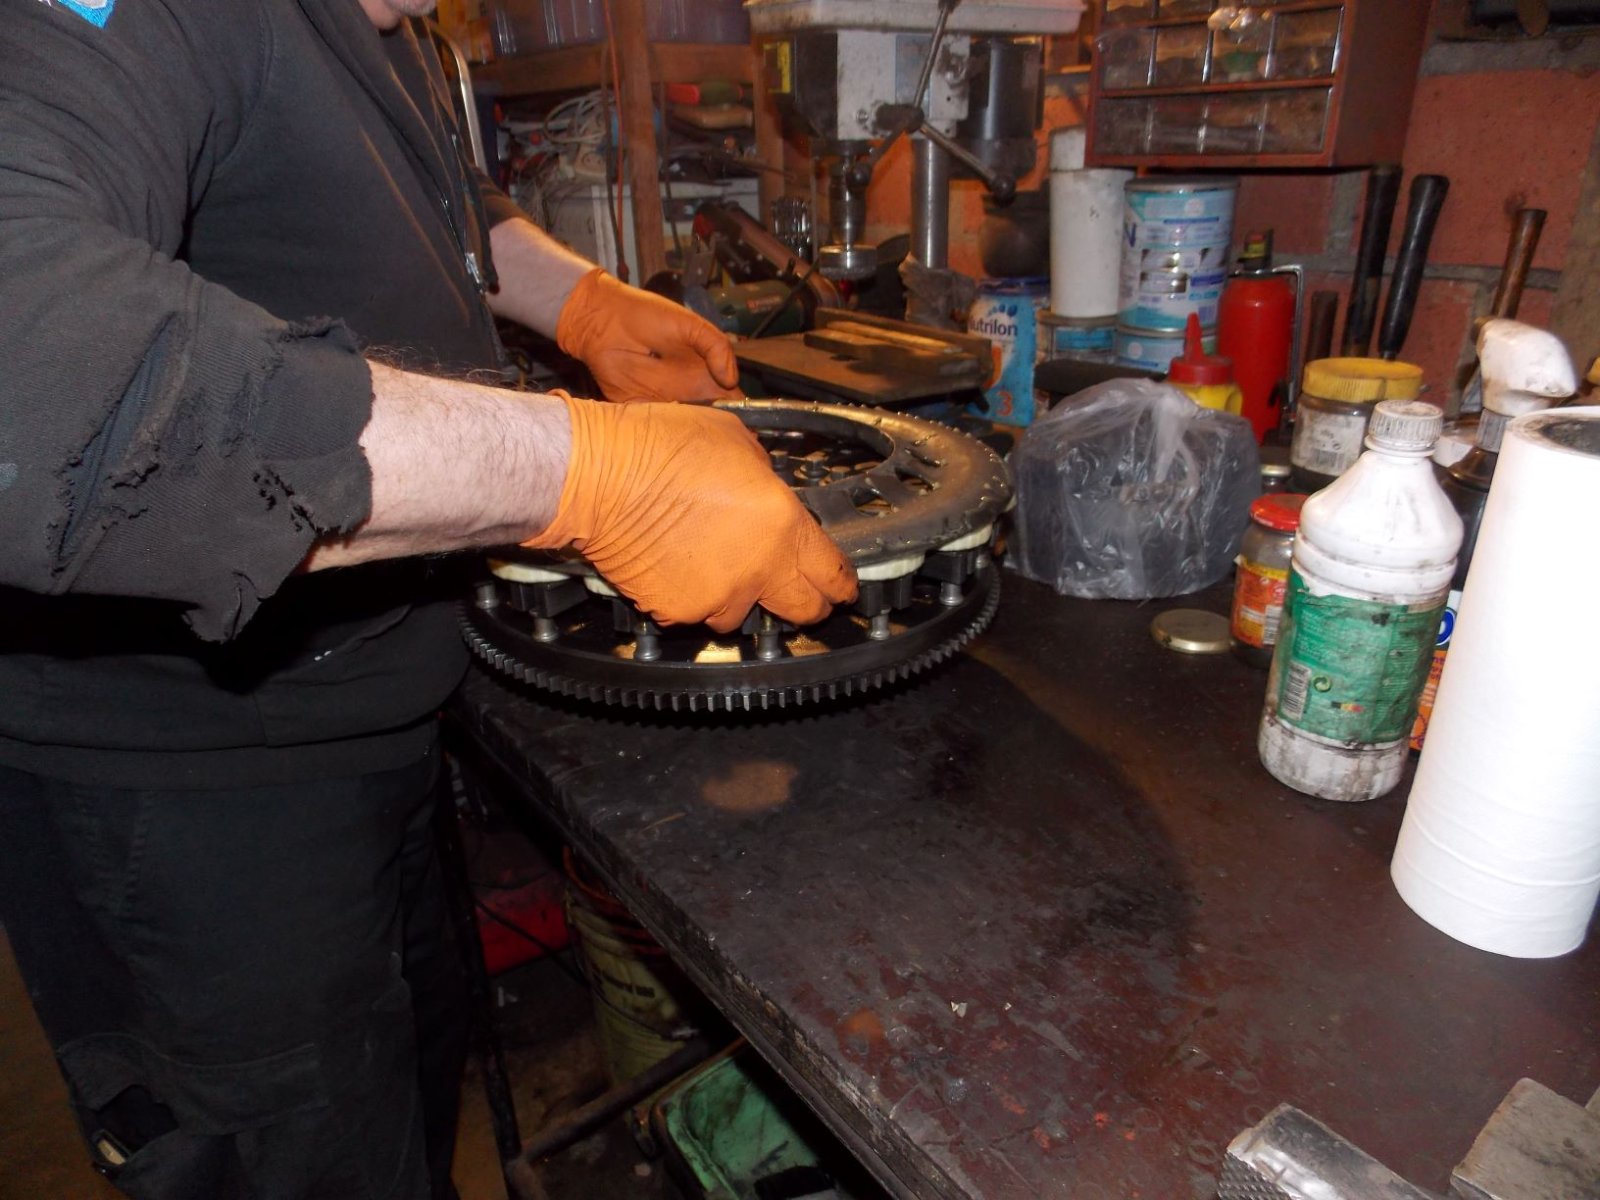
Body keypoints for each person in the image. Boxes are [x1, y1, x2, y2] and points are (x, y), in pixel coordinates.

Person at [0, 1, 856, 1197]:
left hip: (363, 706)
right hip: (187, 793)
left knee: (402, 1108)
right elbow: (32, 370)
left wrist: (578, 301)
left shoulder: (387, 29)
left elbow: (430, 194)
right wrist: (578, 471)